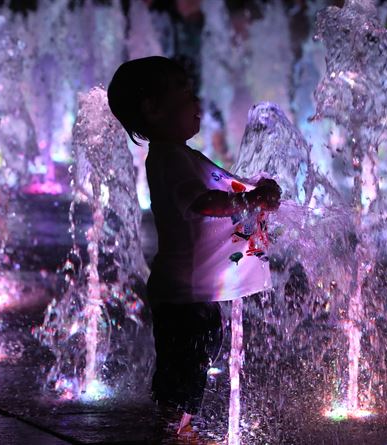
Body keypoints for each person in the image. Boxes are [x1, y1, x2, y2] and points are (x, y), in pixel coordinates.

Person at [107, 56, 281, 436]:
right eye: (185, 95)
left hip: (191, 289)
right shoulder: (168, 158)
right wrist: (249, 202)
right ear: (153, 109)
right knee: (184, 363)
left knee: (195, 357)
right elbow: (202, 201)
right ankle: (170, 428)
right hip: (181, 290)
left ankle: (179, 426)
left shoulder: (180, 154)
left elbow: (220, 187)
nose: (196, 104)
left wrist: (255, 191)